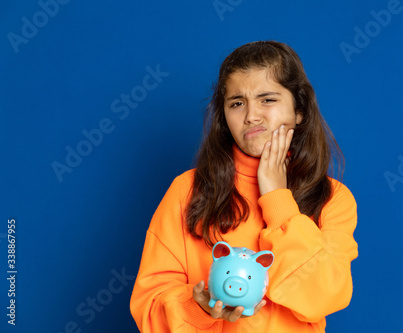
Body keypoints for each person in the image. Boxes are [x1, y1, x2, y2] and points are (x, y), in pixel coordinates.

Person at [130, 40, 358, 332]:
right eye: (237, 103)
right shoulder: (187, 190)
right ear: (224, 117)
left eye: (268, 99)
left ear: (299, 111)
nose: (251, 115)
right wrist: (197, 306)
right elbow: (148, 310)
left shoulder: (333, 199)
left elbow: (325, 297)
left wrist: (277, 198)